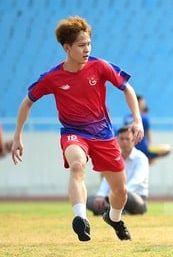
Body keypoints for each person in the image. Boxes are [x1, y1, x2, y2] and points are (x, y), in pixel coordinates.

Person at [11, 16, 143, 241]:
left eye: (89, 44)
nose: (87, 49)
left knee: (120, 192)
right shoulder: (53, 77)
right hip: (74, 133)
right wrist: (17, 137)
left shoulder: (99, 66)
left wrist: (137, 120)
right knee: (76, 165)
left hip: (103, 135)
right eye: (81, 45)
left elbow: (127, 89)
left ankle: (114, 218)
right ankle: (81, 219)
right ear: (67, 47)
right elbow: (27, 102)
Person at [86, 126, 149, 215]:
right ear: (117, 140)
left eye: (127, 139)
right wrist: (101, 195)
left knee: (128, 197)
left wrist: (120, 194)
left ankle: (106, 210)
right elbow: (107, 179)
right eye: (122, 139)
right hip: (113, 196)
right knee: (89, 200)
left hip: (135, 197)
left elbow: (137, 180)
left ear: (134, 141)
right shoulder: (114, 157)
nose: (124, 142)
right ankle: (117, 211)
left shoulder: (141, 158)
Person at [124, 95, 171, 164]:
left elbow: (125, 134)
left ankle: (148, 159)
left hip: (130, 150)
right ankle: (149, 158)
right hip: (144, 149)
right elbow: (148, 135)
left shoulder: (126, 118)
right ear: (138, 103)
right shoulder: (144, 118)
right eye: (143, 103)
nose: (144, 105)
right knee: (167, 148)